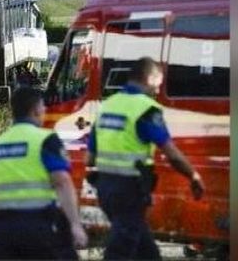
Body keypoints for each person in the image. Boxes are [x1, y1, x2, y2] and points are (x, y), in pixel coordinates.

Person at [86, 57, 205, 260]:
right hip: (130, 191)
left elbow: (90, 158)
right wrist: (193, 175)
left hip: (105, 188)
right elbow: (171, 154)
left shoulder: (107, 106)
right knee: (120, 250)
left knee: (146, 252)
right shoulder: (146, 109)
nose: (158, 91)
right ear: (149, 78)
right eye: (158, 84)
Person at [0, 87, 88, 260]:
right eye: (43, 107)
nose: (45, 111)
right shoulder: (45, 140)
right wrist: (75, 225)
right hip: (39, 229)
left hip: (1, 235)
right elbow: (62, 181)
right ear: (36, 110)